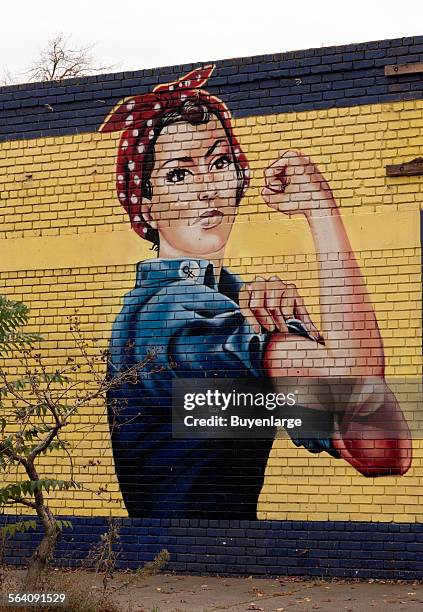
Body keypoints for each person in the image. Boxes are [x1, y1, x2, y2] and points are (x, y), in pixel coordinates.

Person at [100, 66, 411, 519]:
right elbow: (356, 378)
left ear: (240, 178)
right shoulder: (171, 313)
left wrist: (301, 332)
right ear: (145, 203)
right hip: (179, 570)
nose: (207, 189)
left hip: (214, 569)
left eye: (220, 163)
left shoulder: (232, 301)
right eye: (178, 175)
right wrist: (322, 212)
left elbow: (383, 448)